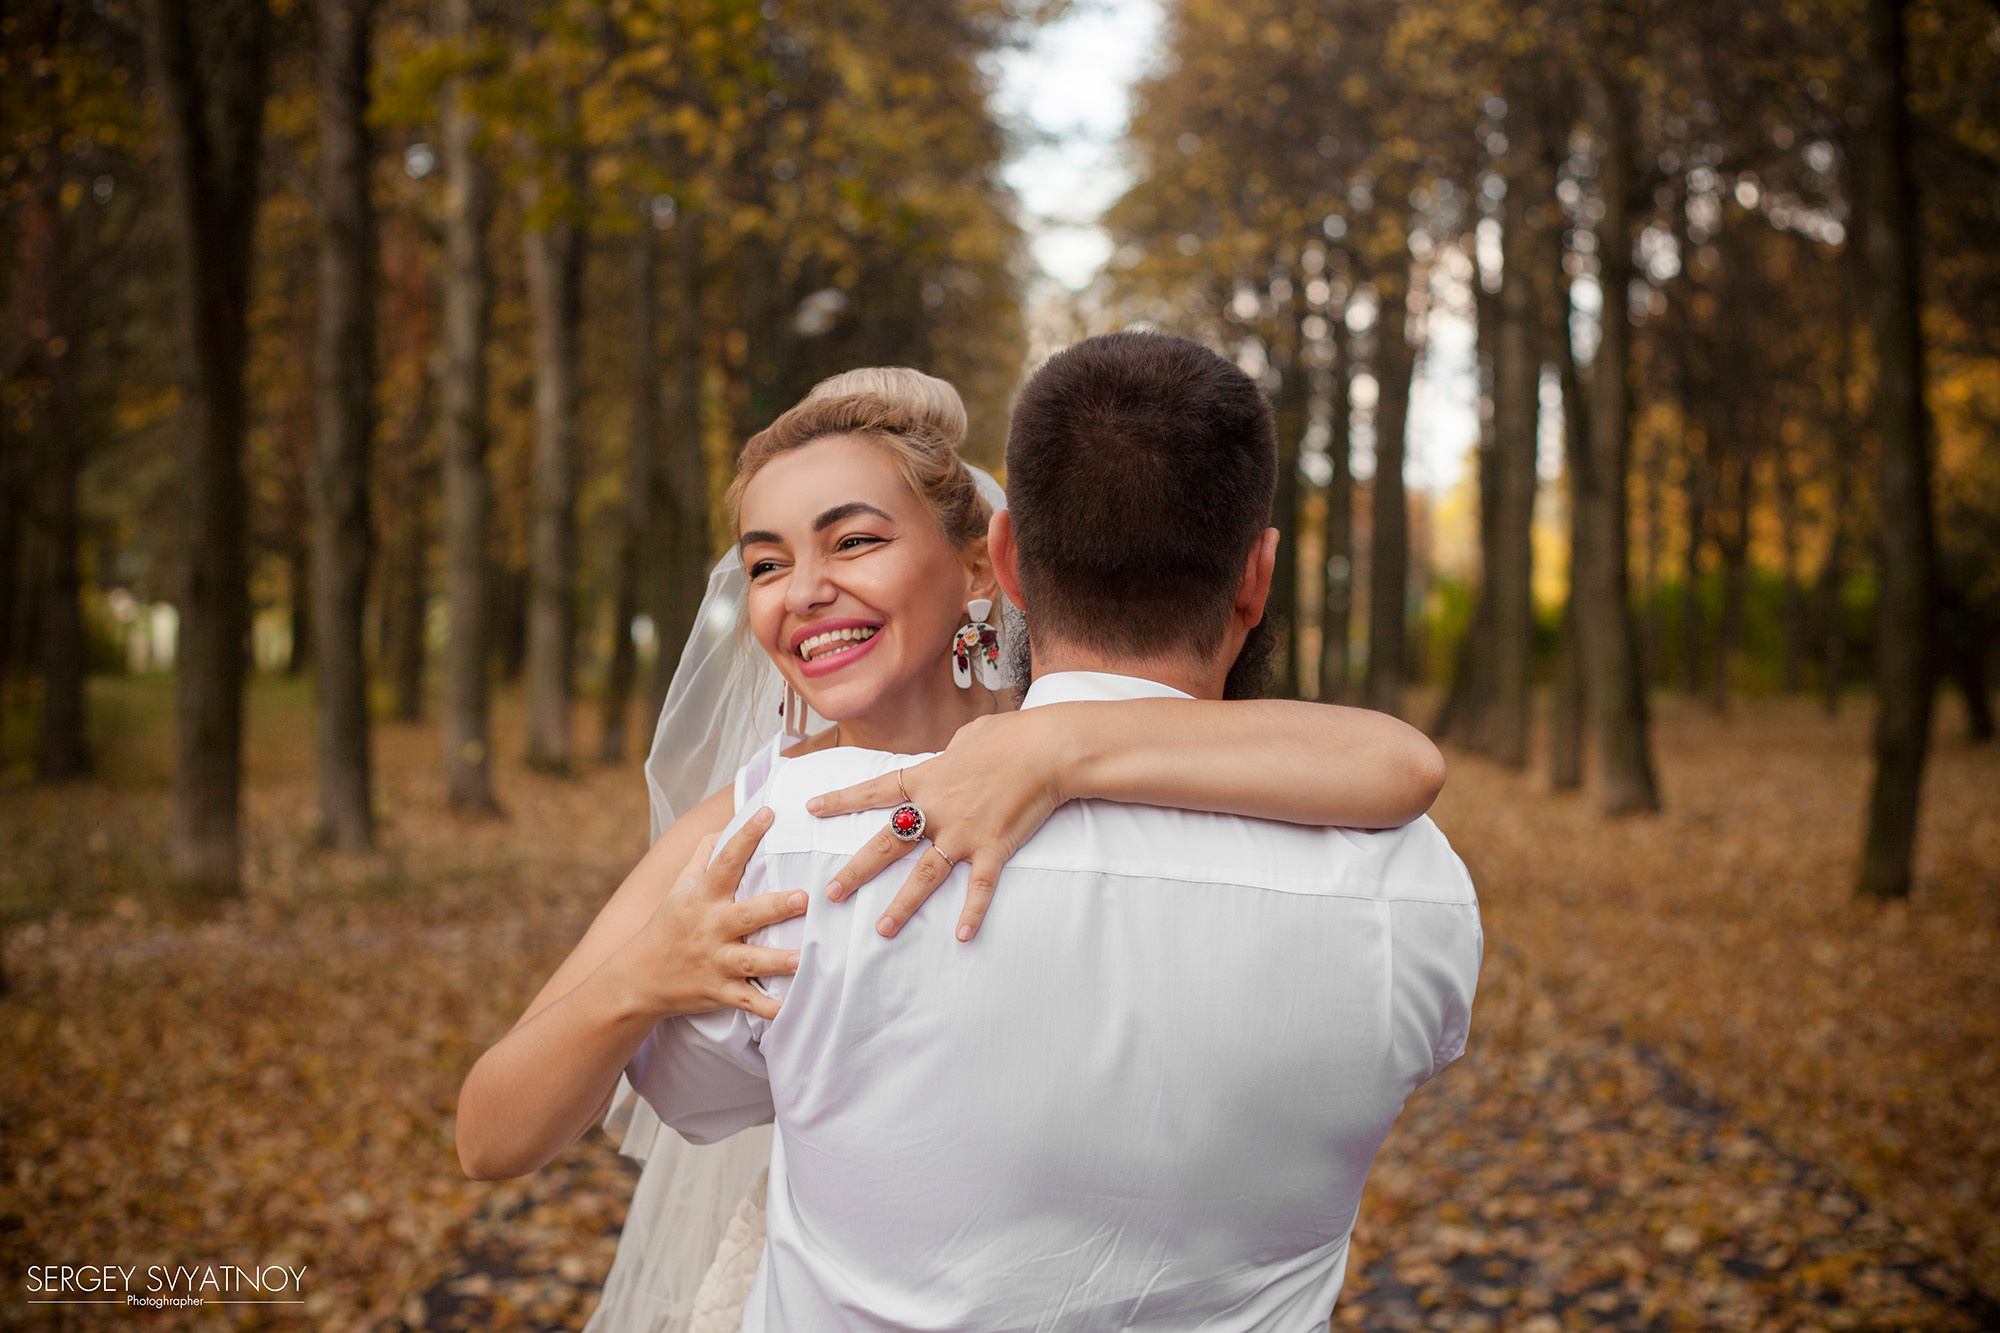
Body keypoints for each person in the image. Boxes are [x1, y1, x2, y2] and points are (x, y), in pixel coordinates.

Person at [452, 363, 1453, 1330]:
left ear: (984, 562)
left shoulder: (1072, 728)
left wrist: (1053, 746)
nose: (800, 591)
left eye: (851, 542)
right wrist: (637, 978)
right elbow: (490, 1132)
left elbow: (1390, 760)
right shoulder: (760, 819)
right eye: (764, 563)